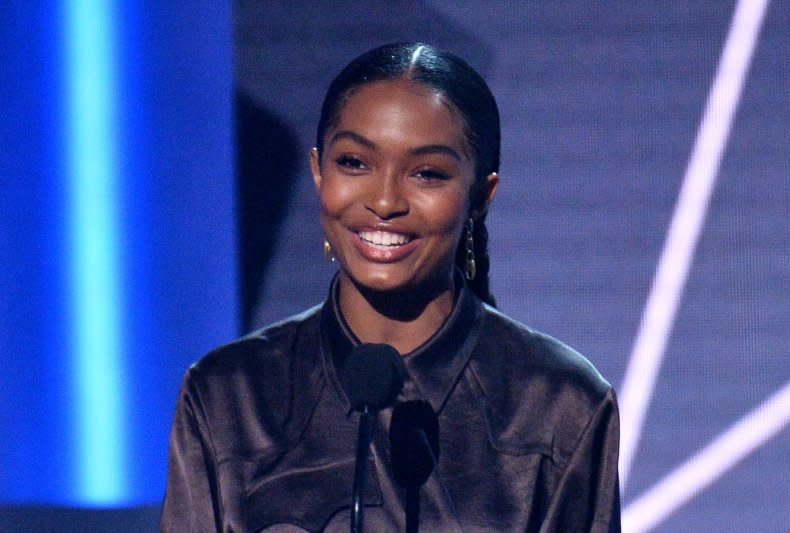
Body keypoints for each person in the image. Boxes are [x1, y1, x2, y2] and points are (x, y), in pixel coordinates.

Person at [161, 42, 621, 532]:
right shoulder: (231, 396)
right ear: (319, 172)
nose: (383, 201)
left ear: (480, 196)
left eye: (426, 173)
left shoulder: (558, 406)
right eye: (355, 163)